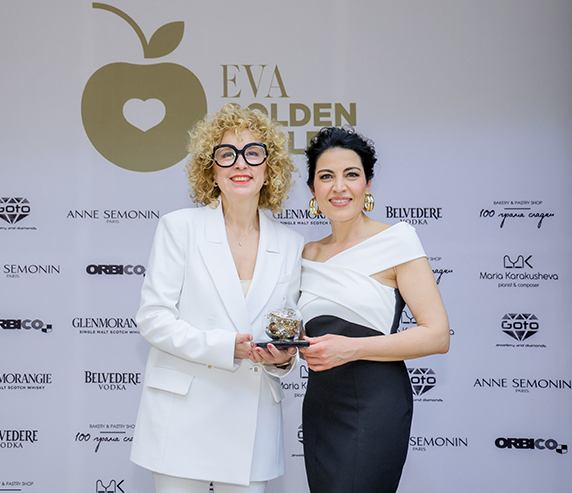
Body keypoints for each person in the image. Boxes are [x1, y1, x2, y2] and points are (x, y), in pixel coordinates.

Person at [129, 103, 305, 493]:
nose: (240, 163)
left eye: (253, 153)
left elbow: (286, 327)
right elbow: (153, 319)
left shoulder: (292, 244)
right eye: (227, 154)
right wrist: (226, 347)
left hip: (252, 417)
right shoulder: (179, 228)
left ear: (270, 168)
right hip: (181, 418)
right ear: (211, 169)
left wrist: (282, 359)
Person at [298, 127, 450, 493]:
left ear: (367, 184)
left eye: (351, 174)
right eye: (326, 176)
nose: (339, 187)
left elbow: (437, 335)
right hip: (321, 405)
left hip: (374, 403)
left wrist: (352, 348)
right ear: (312, 189)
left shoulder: (397, 239)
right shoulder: (306, 254)